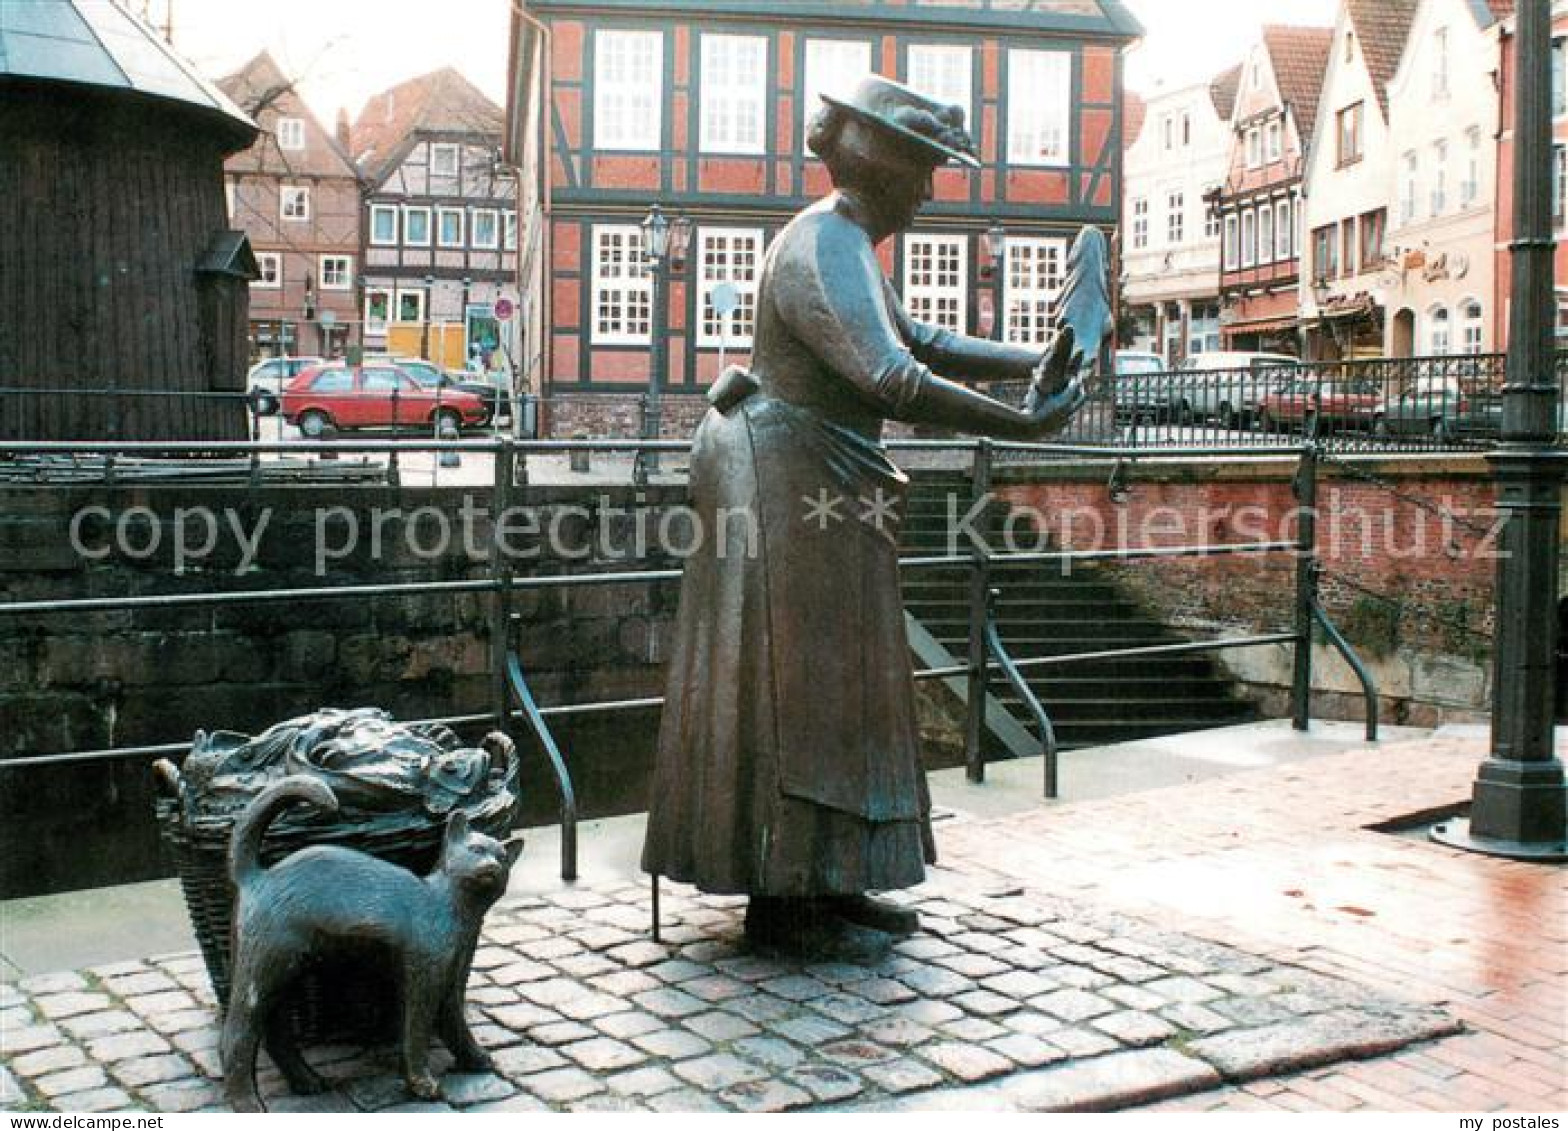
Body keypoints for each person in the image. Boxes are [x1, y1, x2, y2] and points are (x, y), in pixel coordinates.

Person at [641, 75, 1108, 954]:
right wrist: (1024, 420)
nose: (931, 192)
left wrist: (1032, 359)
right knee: (797, 684)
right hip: (780, 473)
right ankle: (786, 899)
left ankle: (835, 874)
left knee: (842, 678)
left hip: (819, 470)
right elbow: (891, 378)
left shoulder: (849, 244)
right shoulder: (823, 244)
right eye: (926, 171)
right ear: (885, 167)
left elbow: (922, 343)